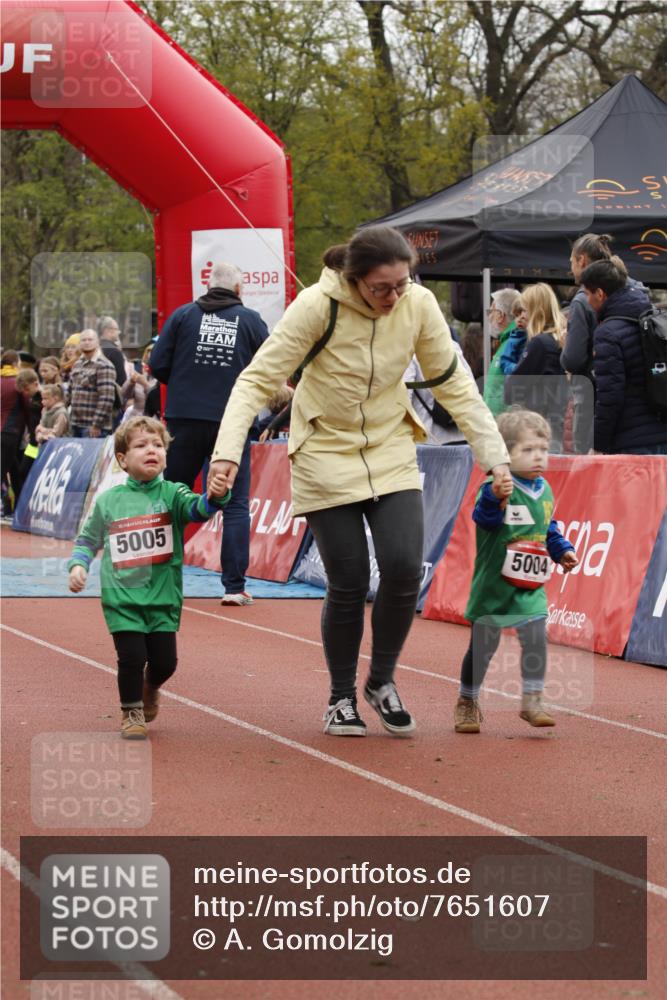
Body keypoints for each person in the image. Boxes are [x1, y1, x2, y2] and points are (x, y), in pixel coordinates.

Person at [206, 225, 511, 737]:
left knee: (404, 568)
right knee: (347, 582)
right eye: (381, 288)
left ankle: (381, 682)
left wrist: (495, 457)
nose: (394, 297)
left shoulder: (418, 305)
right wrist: (227, 453)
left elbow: (455, 384)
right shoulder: (315, 306)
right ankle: (341, 696)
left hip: (390, 446)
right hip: (324, 451)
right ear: (354, 280)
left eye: (402, 284)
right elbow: (254, 381)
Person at [67, 416, 231, 739]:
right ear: (122, 459)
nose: (151, 450)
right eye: (141, 445)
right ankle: (131, 711)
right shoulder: (109, 501)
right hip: (122, 598)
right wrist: (78, 565)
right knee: (131, 657)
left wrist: (215, 496)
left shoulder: (173, 494)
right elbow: (87, 539)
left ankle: (150, 686)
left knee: (165, 663)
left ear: (167, 455)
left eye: (158, 445)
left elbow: (197, 510)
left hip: (162, 597)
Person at [150, 261, 269, 606]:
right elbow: (270, 365)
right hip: (231, 421)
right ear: (238, 289)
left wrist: (185, 381)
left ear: (208, 286)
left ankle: (159, 579)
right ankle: (234, 588)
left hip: (184, 418)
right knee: (235, 503)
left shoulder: (183, 315)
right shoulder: (250, 320)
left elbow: (157, 364)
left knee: (171, 496)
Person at [454, 409, 578, 735]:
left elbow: (549, 528)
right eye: (528, 449)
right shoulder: (495, 487)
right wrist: (495, 497)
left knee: (536, 638)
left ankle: (532, 699)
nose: (538, 456)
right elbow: (484, 519)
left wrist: (562, 550)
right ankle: (467, 700)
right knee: (482, 650)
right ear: (505, 453)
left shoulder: (545, 489)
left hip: (529, 588)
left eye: (543, 449)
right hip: (493, 586)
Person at [561, 233, 647, 452]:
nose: (571, 268)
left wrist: (564, 345)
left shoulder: (585, 303)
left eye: (571, 261)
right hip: (644, 409)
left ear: (581, 260)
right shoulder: (639, 293)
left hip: (597, 407)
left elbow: (573, 359)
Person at [579, 260, 665, 455]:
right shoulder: (655, 319)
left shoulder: (607, 333)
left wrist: (598, 444)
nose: (587, 301)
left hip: (632, 440)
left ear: (600, 294)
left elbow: (610, 396)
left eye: (587, 294)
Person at [504, 283, 569, 452]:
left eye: (525, 310)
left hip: (536, 430)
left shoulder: (540, 344)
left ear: (536, 311)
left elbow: (511, 390)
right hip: (554, 428)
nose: (522, 315)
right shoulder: (557, 341)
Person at [67, 329, 116, 438]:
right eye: (83, 340)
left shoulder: (104, 365)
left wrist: (96, 424)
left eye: (90, 339)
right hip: (75, 423)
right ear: (79, 344)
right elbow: (70, 393)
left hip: (94, 427)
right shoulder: (77, 364)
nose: (87, 342)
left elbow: (107, 398)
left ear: (97, 342)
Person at [482, 289, 522, 417]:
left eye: (490, 312)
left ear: (500, 315)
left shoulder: (516, 343)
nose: (489, 317)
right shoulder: (508, 342)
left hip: (505, 424)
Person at [0, 350, 25, 518]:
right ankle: (8, 506)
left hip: (7, 432)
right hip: (11, 432)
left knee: (14, 469)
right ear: (16, 363)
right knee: (4, 469)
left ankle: (16, 506)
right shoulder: (18, 381)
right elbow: (27, 408)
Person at [498, 297, 527, 377]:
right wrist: (517, 369)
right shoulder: (515, 337)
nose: (519, 319)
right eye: (517, 316)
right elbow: (504, 361)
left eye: (523, 315)